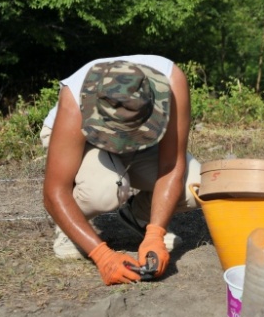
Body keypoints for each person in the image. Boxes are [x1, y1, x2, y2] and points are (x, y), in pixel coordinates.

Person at [41, 55, 201, 285]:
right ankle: (70, 231)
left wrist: (156, 234)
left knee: (196, 184)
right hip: (83, 141)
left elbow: (171, 165)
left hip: (142, 140)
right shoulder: (75, 101)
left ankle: (140, 217)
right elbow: (55, 191)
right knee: (106, 189)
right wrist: (102, 255)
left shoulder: (172, 82)